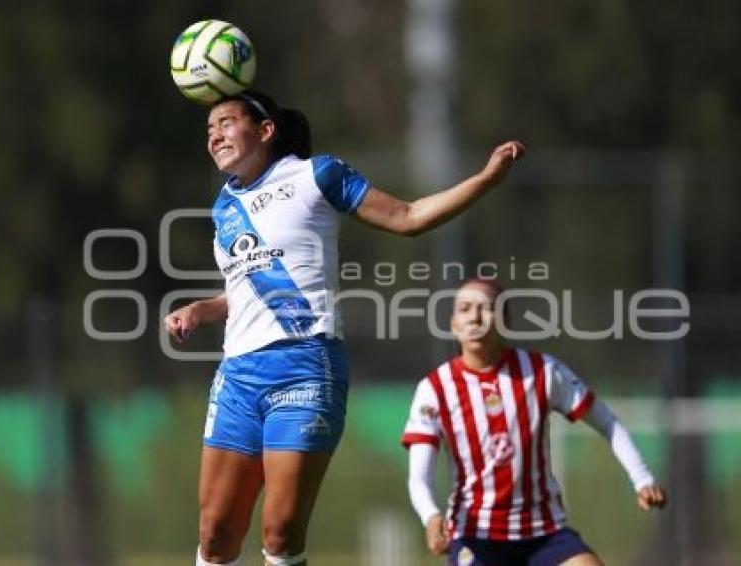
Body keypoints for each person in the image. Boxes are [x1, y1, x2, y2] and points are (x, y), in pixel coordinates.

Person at [163, 90, 526, 566]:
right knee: (215, 534)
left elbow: (409, 217)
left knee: (281, 531)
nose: (215, 137)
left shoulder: (316, 175)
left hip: (305, 369)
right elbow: (250, 291)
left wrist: (486, 180)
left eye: (226, 123)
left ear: (266, 130)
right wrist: (200, 310)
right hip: (238, 375)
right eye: (209, 130)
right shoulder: (224, 208)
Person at [401, 278, 667, 566]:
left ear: (507, 321)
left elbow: (606, 422)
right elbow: (419, 475)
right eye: (465, 309)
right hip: (475, 536)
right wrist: (431, 516)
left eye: (487, 308)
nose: (475, 318)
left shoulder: (542, 372)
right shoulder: (435, 388)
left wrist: (642, 478)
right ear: (453, 323)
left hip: (546, 536)